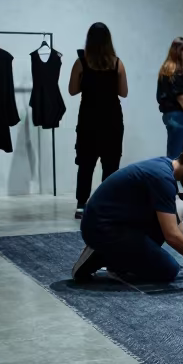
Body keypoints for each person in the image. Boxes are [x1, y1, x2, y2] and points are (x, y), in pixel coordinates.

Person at [72, 141, 183, 283]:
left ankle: (114, 256)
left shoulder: (165, 168)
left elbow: (177, 224)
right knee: (168, 270)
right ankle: (102, 255)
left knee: (165, 224)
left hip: (111, 223)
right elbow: (173, 236)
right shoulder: (162, 178)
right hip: (100, 229)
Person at [69, 22, 128, 219]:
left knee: (86, 164)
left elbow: (72, 90)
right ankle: (107, 204)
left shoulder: (81, 62)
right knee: (111, 165)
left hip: (88, 119)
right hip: (112, 119)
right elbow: (123, 92)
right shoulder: (117, 63)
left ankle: (81, 205)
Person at [157, 37, 183, 159]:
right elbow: (180, 97)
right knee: (177, 155)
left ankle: (177, 178)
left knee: (181, 154)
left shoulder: (170, 69)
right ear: (178, 51)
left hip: (176, 115)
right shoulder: (173, 70)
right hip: (177, 115)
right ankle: (173, 178)